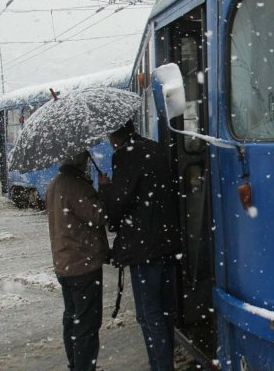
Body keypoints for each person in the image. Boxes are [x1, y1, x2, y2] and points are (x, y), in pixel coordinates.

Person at [99, 120, 180, 371]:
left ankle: (161, 366)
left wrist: (106, 189)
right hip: (167, 243)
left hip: (143, 249)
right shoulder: (155, 149)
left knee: (148, 314)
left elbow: (119, 204)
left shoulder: (125, 156)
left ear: (115, 135)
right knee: (165, 310)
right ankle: (166, 362)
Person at [46, 150, 109, 371]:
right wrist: (104, 189)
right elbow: (100, 216)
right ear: (80, 159)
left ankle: (75, 365)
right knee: (87, 324)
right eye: (84, 156)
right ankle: (84, 367)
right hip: (83, 265)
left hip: (65, 264)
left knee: (72, 320)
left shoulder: (56, 183)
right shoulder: (75, 185)